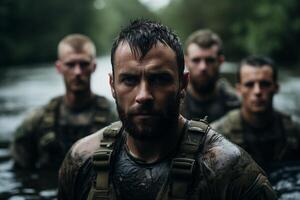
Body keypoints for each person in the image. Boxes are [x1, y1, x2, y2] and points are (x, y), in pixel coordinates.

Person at [58, 20, 276, 200]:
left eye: (160, 79)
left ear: (183, 84)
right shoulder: (81, 161)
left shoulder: (228, 170)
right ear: (112, 86)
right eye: (129, 80)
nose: (143, 95)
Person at [11, 34, 117, 169]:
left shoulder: (114, 117)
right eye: (70, 64)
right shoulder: (36, 121)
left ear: (93, 66)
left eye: (84, 64)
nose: (78, 71)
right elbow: (19, 171)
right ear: (59, 67)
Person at [212, 55, 300, 169]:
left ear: (276, 87)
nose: (257, 91)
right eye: (249, 85)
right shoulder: (218, 135)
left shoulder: (295, 131)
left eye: (264, 84)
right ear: (239, 89)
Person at [181, 29, 240, 122]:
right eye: (196, 60)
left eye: (209, 60)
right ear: (186, 62)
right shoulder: (174, 102)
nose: (203, 67)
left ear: (220, 61)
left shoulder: (236, 103)